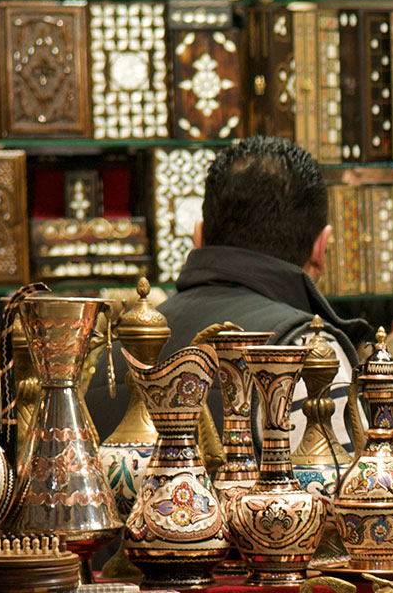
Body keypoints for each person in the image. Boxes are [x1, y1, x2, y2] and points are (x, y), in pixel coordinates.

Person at [87, 136, 371, 445]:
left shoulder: (116, 353)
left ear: (198, 237)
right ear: (321, 248)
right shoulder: (307, 350)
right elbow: (346, 489)